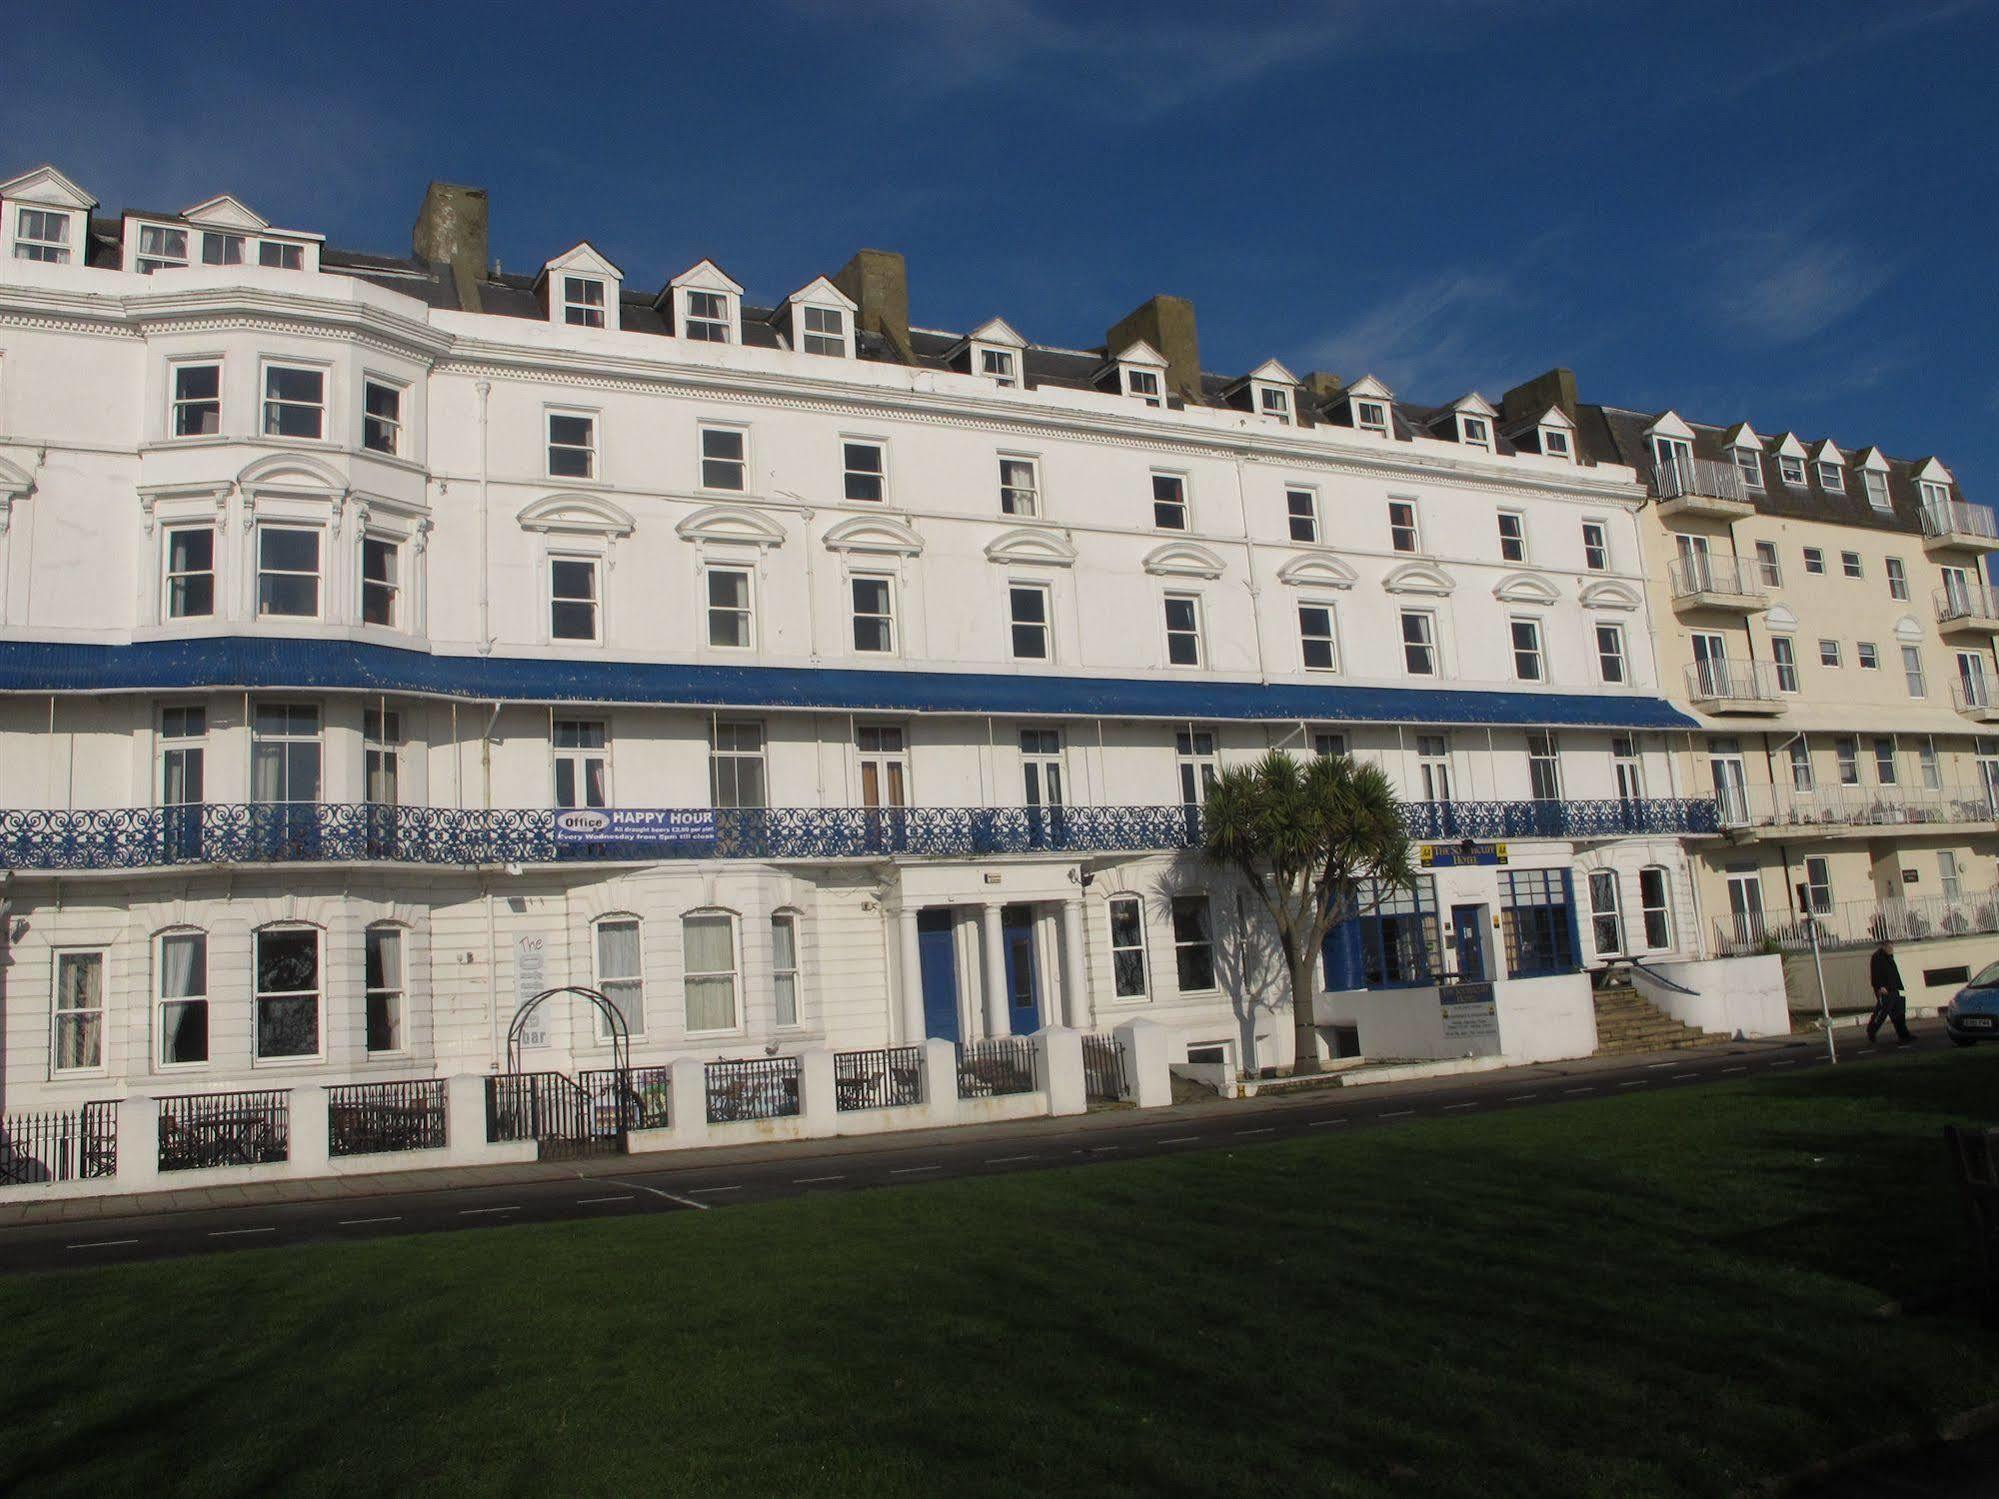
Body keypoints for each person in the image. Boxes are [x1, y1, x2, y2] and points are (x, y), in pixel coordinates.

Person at [1867, 939, 1914, 1045]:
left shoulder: (1889, 957)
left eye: (1892, 947)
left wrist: (1900, 989)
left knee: (1899, 1013)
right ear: (1884, 946)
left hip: (1896, 989)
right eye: (1889, 947)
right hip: (1886, 991)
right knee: (1882, 1013)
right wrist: (1880, 986)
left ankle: (1904, 1034)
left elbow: (1894, 974)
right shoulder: (1877, 957)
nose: (1891, 949)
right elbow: (1875, 974)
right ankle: (1872, 1031)